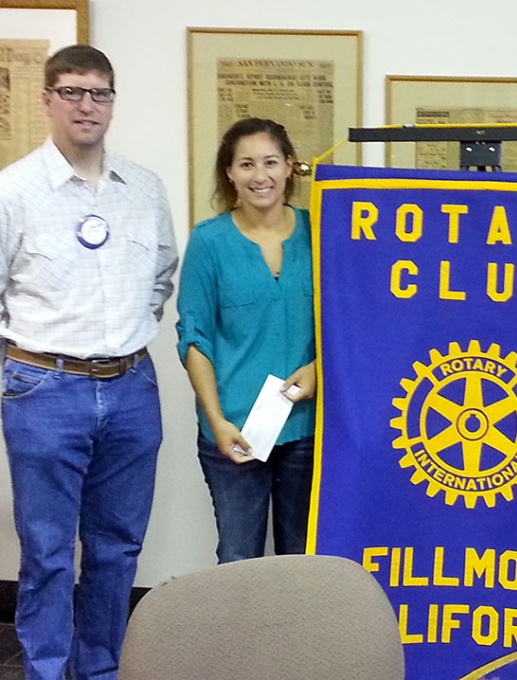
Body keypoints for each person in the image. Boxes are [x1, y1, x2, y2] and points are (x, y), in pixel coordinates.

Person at [0, 45, 177, 680]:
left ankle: (99, 670)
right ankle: (47, 670)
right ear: (47, 99)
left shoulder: (144, 190)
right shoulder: (13, 191)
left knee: (116, 549)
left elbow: (160, 276)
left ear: (111, 103)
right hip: (44, 389)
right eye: (72, 91)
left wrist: (122, 336)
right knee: (48, 552)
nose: (86, 105)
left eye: (99, 93)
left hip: (131, 388)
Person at [176, 117, 316, 565]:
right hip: (236, 431)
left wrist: (320, 369)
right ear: (229, 173)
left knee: (305, 561)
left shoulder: (321, 233)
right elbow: (194, 338)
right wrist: (216, 420)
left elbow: (348, 321)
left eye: (271, 162)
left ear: (291, 167)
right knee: (239, 561)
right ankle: (241, 639)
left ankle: (302, 640)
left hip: (309, 429)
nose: (261, 176)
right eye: (247, 164)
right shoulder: (209, 241)